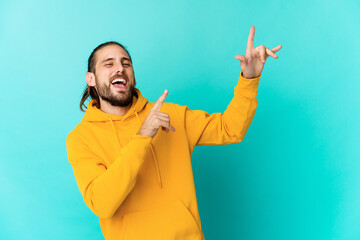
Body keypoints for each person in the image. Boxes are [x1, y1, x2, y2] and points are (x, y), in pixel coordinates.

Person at [66, 26, 282, 240]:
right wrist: (143, 137)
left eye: (126, 63)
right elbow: (102, 204)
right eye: (108, 64)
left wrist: (249, 80)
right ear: (91, 79)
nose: (120, 69)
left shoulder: (169, 114)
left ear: (133, 78)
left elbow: (230, 129)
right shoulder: (81, 138)